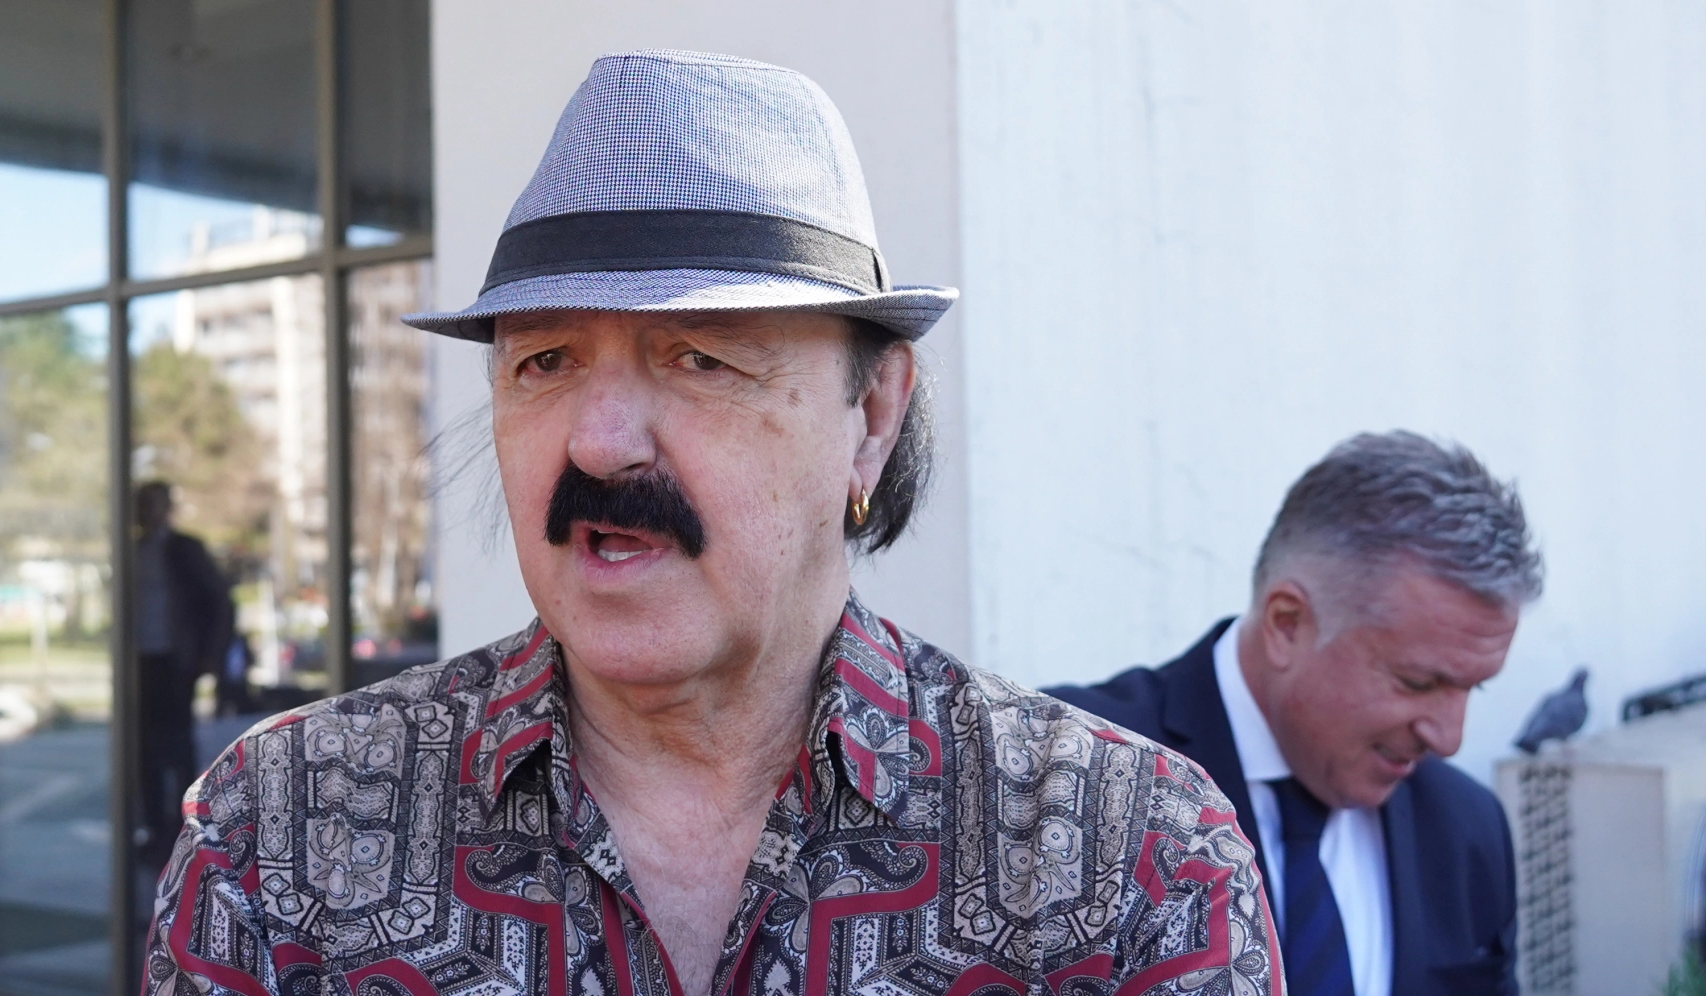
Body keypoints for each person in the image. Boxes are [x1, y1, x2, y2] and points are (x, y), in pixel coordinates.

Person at [144, 50, 1275, 996]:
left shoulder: (1126, 863)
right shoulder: (280, 833)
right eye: (544, 361)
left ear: (872, 418)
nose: (599, 443)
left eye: (700, 358)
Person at [1048, 431, 1541, 996]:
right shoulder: (1072, 776)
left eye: (1473, 688)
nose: (1449, 738)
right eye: (1417, 682)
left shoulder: (1468, 829)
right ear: (1287, 624)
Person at [132, 480, 234, 865]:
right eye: (142, 504)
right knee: (145, 748)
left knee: (177, 746)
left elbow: (219, 601)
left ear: (167, 509)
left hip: (176, 660)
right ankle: (155, 829)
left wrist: (209, 655)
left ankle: (184, 831)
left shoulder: (184, 550)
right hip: (141, 661)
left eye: (154, 504)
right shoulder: (134, 551)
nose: (148, 512)